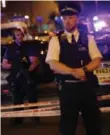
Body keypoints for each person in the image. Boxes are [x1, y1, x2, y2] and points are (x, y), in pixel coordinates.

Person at [46, 2, 102, 135]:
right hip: (67, 89)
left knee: (93, 123)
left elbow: (97, 59)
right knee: (68, 126)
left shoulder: (87, 38)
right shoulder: (56, 40)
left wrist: (84, 70)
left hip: (86, 87)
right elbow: (52, 63)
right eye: (64, 18)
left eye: (70, 18)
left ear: (77, 18)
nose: (67, 21)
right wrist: (73, 72)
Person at [2, 28, 40, 125]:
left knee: (32, 98)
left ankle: (35, 118)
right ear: (14, 36)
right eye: (17, 35)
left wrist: (27, 71)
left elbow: (34, 61)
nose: (20, 36)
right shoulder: (10, 48)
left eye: (21, 34)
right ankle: (18, 119)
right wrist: (15, 66)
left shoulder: (28, 47)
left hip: (27, 76)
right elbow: (4, 64)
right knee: (17, 99)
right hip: (15, 77)